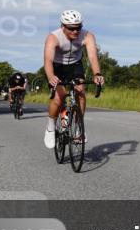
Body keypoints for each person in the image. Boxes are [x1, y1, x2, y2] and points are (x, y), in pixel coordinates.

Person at [42, 10, 105, 149]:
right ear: (63, 26)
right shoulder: (53, 37)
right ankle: (50, 127)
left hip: (75, 65)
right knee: (58, 98)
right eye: (71, 28)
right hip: (57, 67)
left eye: (78, 27)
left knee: (80, 92)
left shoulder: (87, 35)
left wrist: (97, 74)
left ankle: (78, 127)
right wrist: (51, 77)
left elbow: (92, 56)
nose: (75, 31)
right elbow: (48, 60)